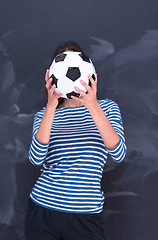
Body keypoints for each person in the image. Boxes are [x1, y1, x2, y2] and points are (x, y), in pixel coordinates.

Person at [24, 41, 127, 240]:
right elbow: (36, 159)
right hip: (43, 209)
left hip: (85, 216)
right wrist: (51, 106)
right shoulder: (44, 115)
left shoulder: (107, 108)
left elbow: (118, 153)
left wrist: (92, 103)